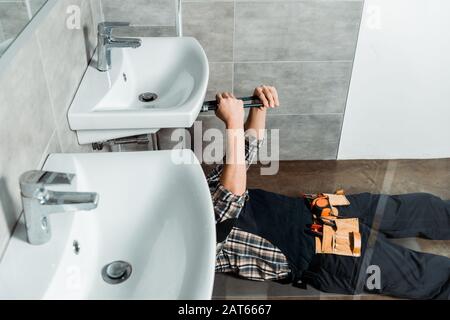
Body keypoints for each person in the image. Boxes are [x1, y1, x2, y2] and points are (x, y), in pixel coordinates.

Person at [207, 85, 450, 300]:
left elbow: (240, 160)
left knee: (422, 208)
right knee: (426, 275)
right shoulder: (190, 244)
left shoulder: (186, 195)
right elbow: (230, 198)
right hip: (326, 257)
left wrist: (258, 106)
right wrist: (234, 125)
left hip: (319, 209)